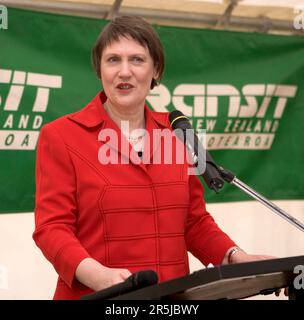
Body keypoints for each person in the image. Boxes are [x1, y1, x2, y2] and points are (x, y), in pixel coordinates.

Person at [33, 15, 277, 300]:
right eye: (113, 60)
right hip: (98, 297)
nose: (124, 72)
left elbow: (194, 222)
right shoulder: (61, 136)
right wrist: (97, 274)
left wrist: (234, 256)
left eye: (137, 59)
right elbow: (52, 228)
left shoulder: (178, 134)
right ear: (99, 69)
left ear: (156, 70)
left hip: (173, 301)